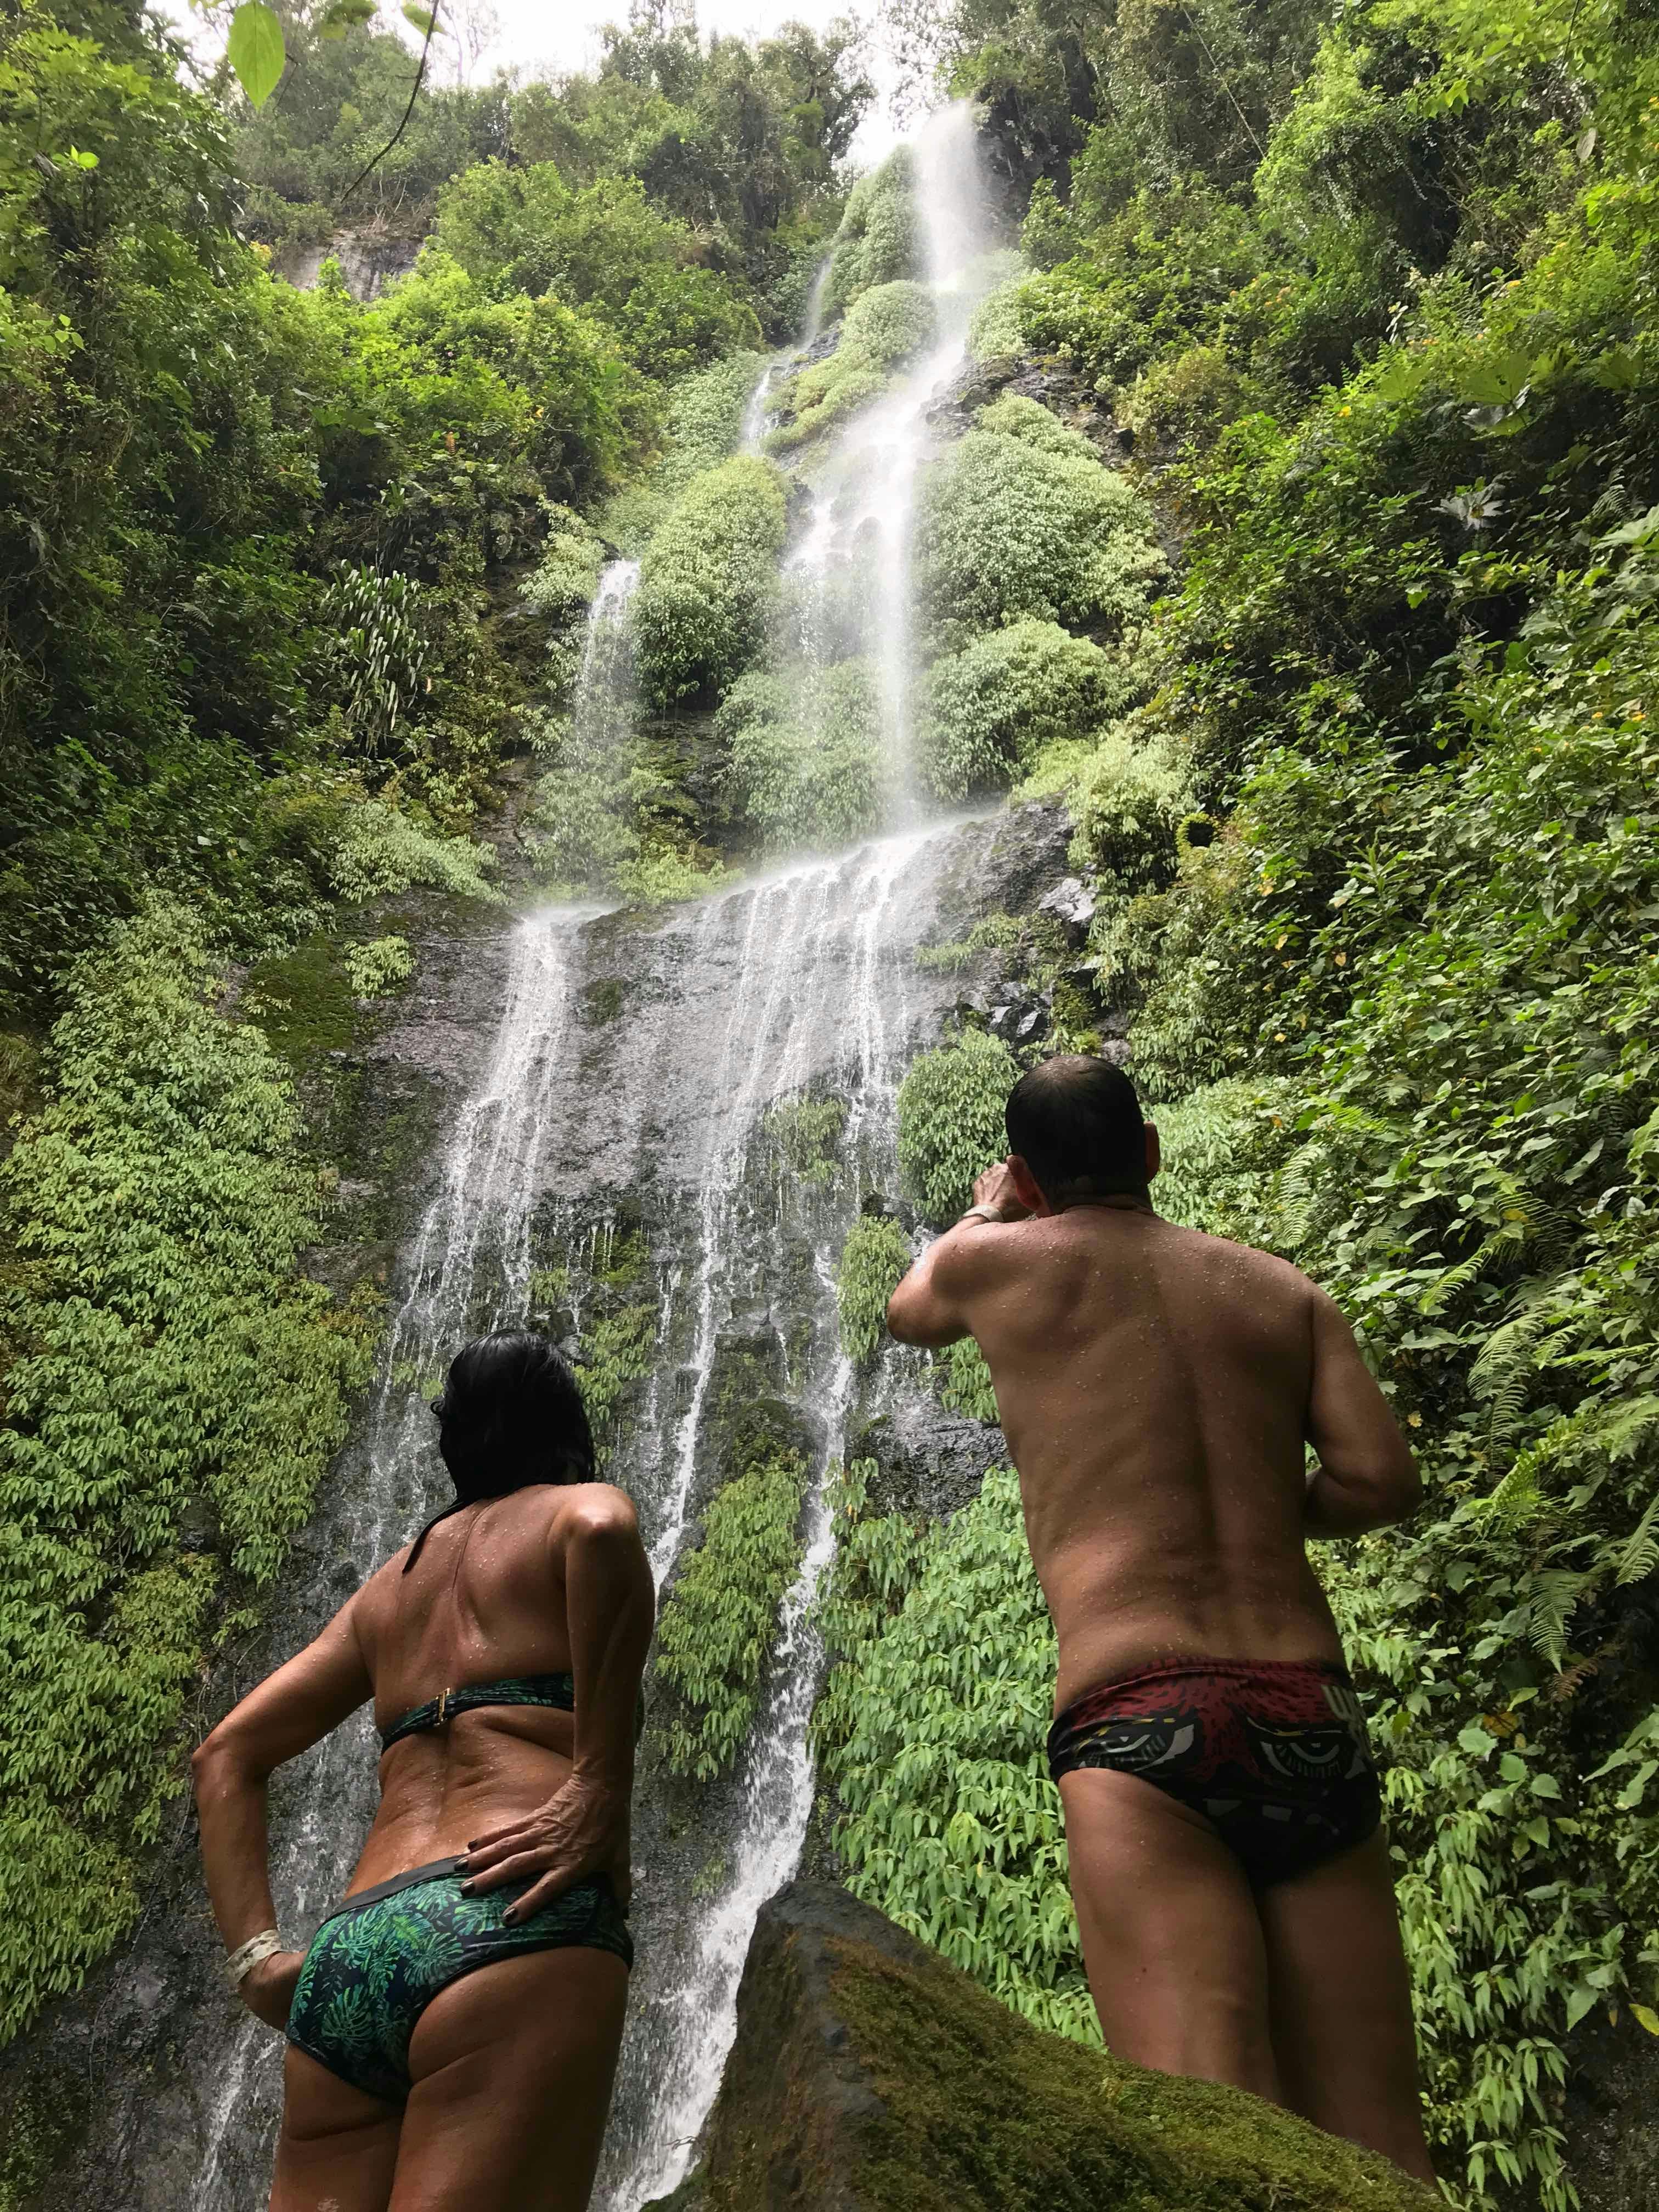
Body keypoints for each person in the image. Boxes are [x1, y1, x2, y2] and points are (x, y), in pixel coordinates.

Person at [885, 1054, 1434, 2184]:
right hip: (1304, 1711)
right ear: (1150, 1152)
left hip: (1139, 1717)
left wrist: (983, 1213)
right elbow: (1381, 1481)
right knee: (1381, 2144)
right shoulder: (1281, 1290)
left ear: (1030, 1181)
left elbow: (908, 1312)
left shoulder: (994, 1263)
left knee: (1214, 2140)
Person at [194, 1329, 656, 2212]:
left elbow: (224, 1755)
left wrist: (258, 1957)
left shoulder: (388, 1588)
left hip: (356, 1947)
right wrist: (597, 1782)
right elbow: (604, 1526)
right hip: (507, 1908)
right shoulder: (573, 1508)